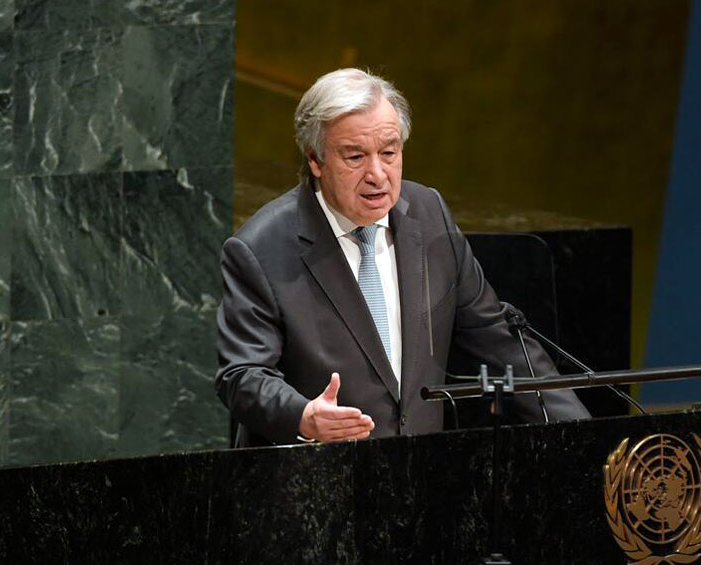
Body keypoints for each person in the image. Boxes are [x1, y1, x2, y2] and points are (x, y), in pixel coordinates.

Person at [215, 68, 589, 447]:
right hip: (316, 482)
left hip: (418, 482)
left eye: (389, 152)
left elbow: (502, 344)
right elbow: (242, 375)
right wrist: (303, 416)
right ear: (315, 160)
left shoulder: (429, 215)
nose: (377, 174)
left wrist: (583, 439)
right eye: (355, 157)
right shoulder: (261, 248)